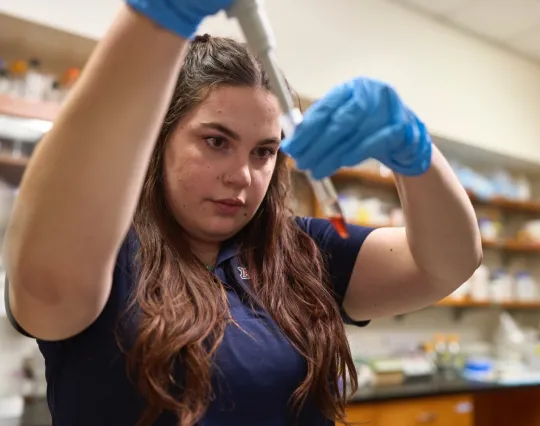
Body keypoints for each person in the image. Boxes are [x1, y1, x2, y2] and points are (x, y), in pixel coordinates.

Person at [2, 1, 482, 426]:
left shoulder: (300, 250)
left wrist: (414, 153)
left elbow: (449, 263)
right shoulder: (104, 254)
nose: (244, 176)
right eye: (216, 142)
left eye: (264, 152)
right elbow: (48, 281)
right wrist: (151, 22)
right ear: (159, 138)